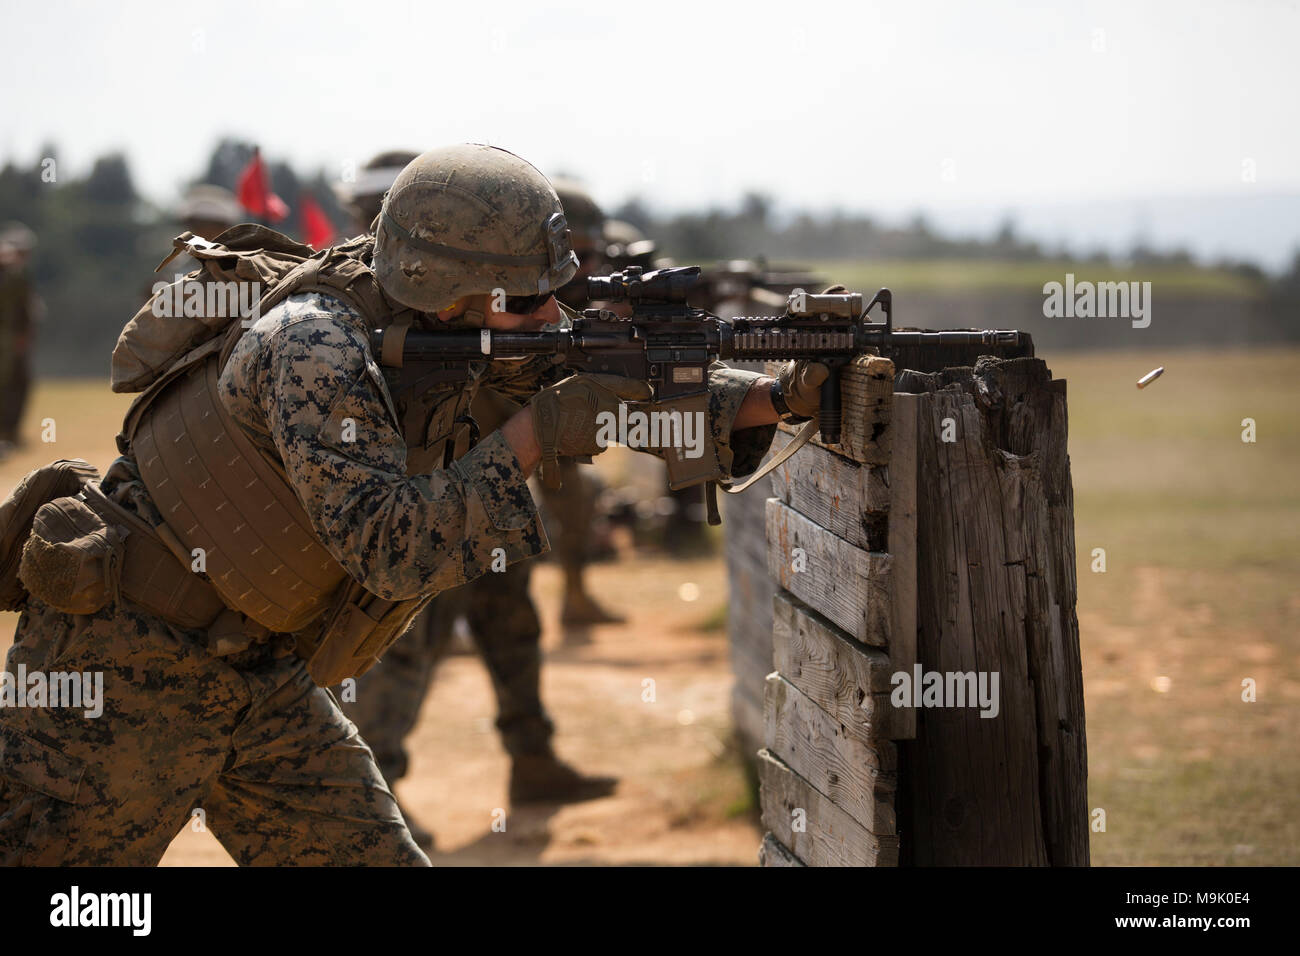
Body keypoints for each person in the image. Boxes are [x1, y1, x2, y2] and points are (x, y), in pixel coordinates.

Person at [0, 143, 823, 865]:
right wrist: (536, 433)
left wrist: (781, 397)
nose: (553, 317)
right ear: (450, 291)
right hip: (121, 663)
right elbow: (391, 547)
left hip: (257, 669)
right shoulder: (314, 344)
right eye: (529, 299)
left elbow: (610, 390)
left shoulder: (464, 327)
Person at [335, 155, 618, 853]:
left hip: (489, 484)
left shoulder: (487, 288)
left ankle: (532, 760)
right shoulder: (373, 306)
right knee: (404, 651)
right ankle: (381, 798)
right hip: (433, 502)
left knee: (510, 625)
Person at [0, 222, 39, 457]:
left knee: (16, 385)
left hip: (11, 341)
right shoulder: (12, 275)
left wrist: (23, 336)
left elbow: (25, 311)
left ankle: (8, 434)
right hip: (7, 341)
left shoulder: (19, 276)